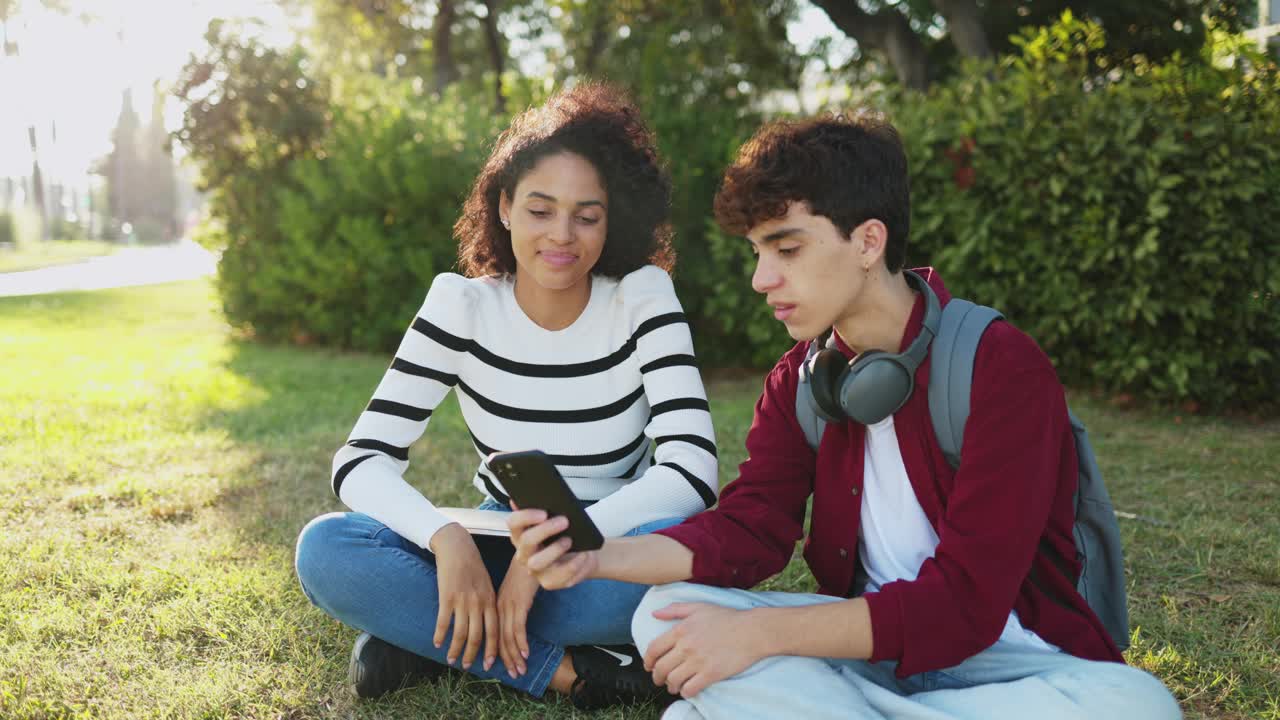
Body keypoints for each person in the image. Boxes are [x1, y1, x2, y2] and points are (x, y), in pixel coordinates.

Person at [508, 113, 1182, 720]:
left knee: (1137, 704)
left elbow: (964, 604)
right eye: (757, 253)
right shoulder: (799, 380)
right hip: (863, 647)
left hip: (1007, 654)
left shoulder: (1000, 366)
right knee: (664, 613)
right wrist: (598, 556)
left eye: (787, 248)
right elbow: (749, 529)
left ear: (867, 242)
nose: (761, 278)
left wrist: (760, 637)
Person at [293, 83, 718, 711]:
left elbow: (692, 471)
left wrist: (556, 551)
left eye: (587, 215)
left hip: (610, 546)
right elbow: (360, 461)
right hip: (498, 534)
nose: (562, 236)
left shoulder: (643, 296)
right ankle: (568, 672)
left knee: (693, 563)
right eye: (541, 209)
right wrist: (445, 539)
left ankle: (426, 641)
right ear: (505, 208)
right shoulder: (460, 306)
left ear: (612, 219)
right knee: (327, 550)